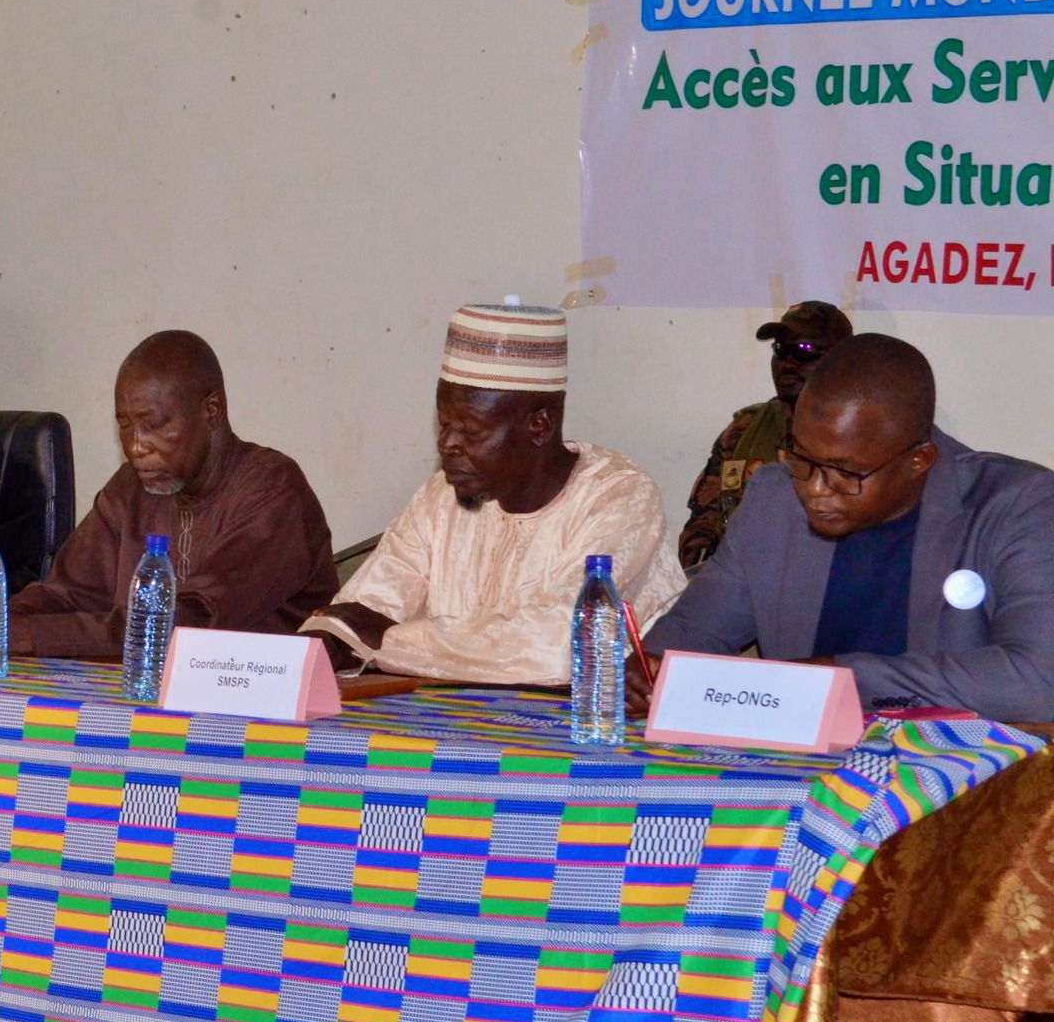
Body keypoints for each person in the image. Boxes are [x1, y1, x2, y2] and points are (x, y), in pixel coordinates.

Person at [639, 334, 1054, 722]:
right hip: (800, 773)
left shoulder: (1020, 507)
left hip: (963, 780)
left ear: (920, 460)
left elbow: (1038, 682)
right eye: (802, 458)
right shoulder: (774, 497)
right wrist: (651, 670)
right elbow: (697, 630)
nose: (814, 490)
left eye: (845, 472)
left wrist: (841, 681)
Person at [300, 302, 686, 684]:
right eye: (445, 424)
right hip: (453, 722)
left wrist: (388, 641)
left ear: (539, 426)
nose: (447, 444)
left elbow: (561, 648)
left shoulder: (617, 495)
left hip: (589, 731)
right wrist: (328, 640)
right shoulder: (440, 497)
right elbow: (362, 611)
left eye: (470, 430)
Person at [4, 330, 336, 657]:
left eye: (154, 425)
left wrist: (36, 634)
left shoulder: (272, 488)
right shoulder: (130, 488)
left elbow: (194, 622)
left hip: (260, 701)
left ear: (212, 410)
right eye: (125, 425)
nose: (136, 446)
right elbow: (69, 594)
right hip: (142, 694)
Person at [678, 301, 852, 572]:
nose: (788, 364)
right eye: (780, 350)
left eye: (804, 351)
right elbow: (703, 526)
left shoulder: (862, 436)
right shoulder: (744, 431)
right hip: (737, 589)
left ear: (841, 360)